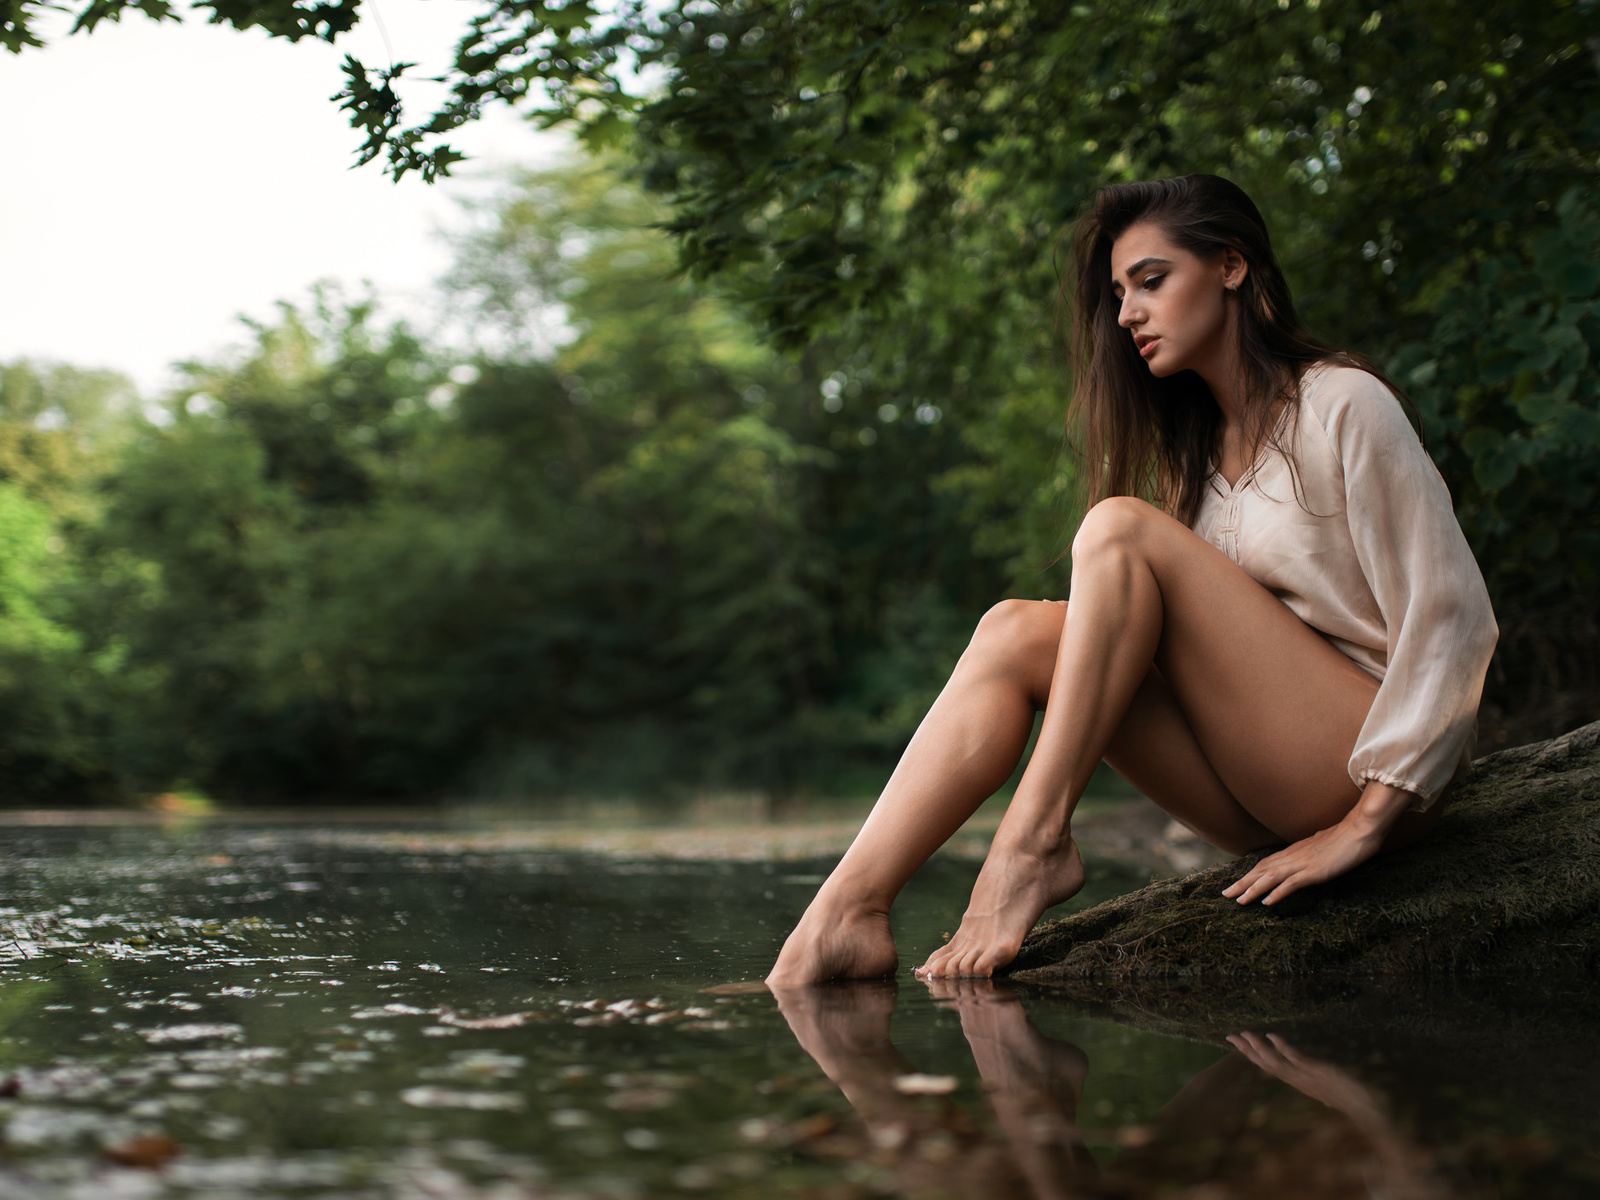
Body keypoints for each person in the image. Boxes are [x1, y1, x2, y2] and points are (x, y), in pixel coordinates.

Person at [767, 174, 1498, 984]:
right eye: (1118, 294)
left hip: (1368, 770)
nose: (1126, 315)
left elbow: (1453, 617)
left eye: (1151, 282)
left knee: (1118, 526)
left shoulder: (1342, 401)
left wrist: (1365, 823)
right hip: (1258, 792)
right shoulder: (1200, 464)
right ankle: (846, 911)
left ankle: (1031, 843)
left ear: (1231, 266)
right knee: (1015, 631)